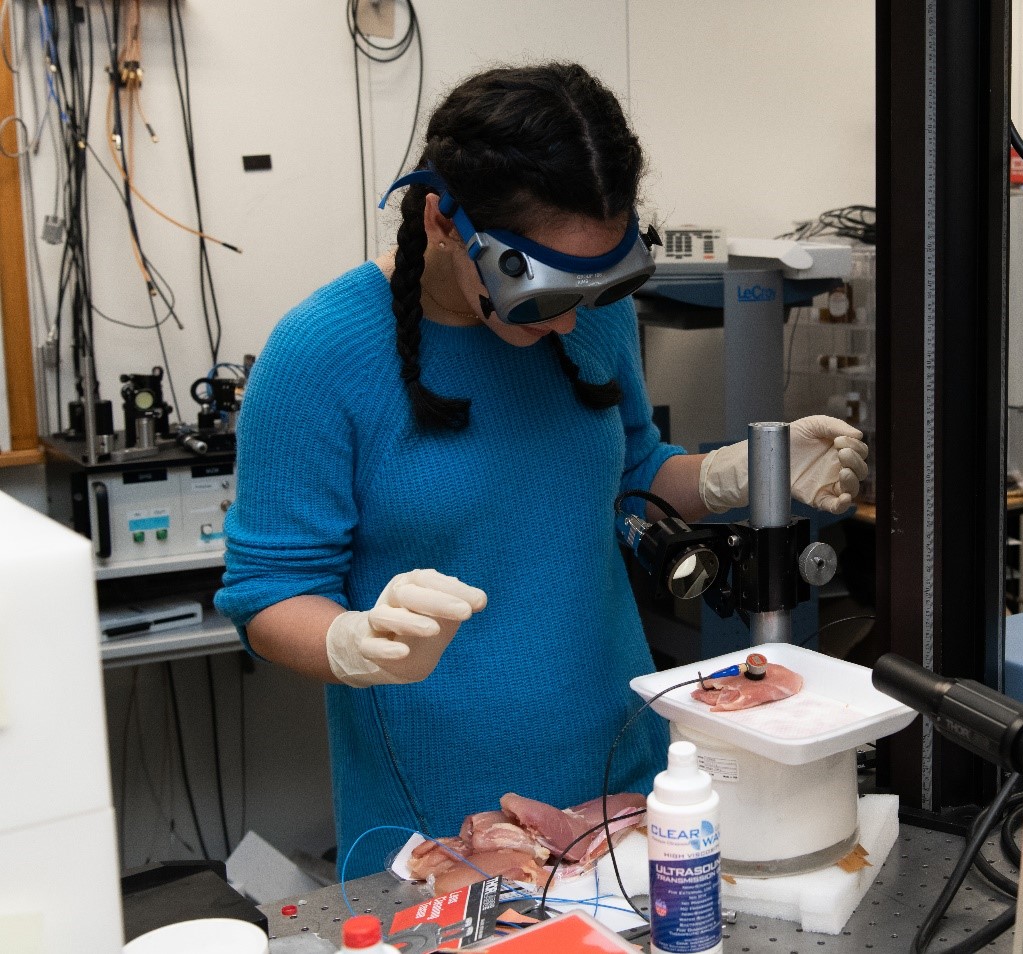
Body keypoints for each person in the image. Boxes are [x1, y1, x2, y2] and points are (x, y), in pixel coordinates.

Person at [214, 62, 868, 878]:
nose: (568, 323)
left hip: (625, 784)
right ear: (444, 224)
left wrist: (740, 475)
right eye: (539, 296)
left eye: (595, 288)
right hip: (440, 823)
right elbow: (268, 592)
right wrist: (354, 642)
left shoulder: (595, 314)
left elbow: (628, 471)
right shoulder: (321, 353)